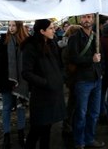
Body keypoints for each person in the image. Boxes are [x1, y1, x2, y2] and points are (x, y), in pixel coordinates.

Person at [21, 19, 66, 149]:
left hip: (54, 92)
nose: (54, 30)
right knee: (37, 129)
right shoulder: (30, 47)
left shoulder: (52, 44)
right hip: (41, 95)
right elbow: (26, 73)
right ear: (42, 31)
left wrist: (60, 77)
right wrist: (46, 83)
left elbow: (60, 65)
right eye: (51, 28)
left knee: (47, 128)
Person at [68, 14, 105, 149]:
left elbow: (103, 57)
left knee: (94, 113)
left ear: (93, 19)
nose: (86, 20)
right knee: (81, 113)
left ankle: (89, 138)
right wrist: (91, 60)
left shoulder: (96, 37)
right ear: (80, 19)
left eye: (89, 17)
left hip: (96, 79)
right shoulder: (74, 38)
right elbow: (73, 58)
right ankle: (79, 142)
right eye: (84, 17)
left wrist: (101, 72)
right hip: (82, 81)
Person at [0, 21, 29, 149]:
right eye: (9, 25)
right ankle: (7, 135)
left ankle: (21, 134)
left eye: (14, 25)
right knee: (6, 108)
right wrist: (0, 81)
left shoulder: (26, 42)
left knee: (21, 107)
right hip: (6, 81)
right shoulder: (3, 41)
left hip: (22, 82)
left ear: (19, 26)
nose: (11, 28)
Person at [59, 25, 82, 137]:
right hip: (73, 76)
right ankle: (67, 124)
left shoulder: (64, 44)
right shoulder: (69, 46)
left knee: (73, 101)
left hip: (70, 76)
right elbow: (71, 62)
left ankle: (68, 123)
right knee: (73, 102)